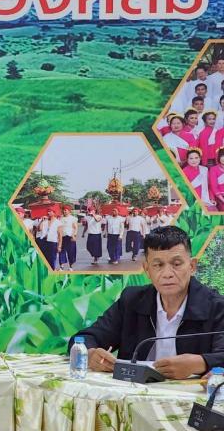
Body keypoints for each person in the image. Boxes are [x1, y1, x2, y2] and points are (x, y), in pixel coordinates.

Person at [69, 226, 224, 378]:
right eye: (158, 265)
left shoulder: (217, 306)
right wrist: (90, 354)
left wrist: (200, 363)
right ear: (147, 270)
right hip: (134, 389)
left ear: (192, 266)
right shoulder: (132, 300)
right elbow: (85, 338)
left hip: (188, 393)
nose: (167, 274)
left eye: (176, 264)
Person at [58, 205, 77, 271]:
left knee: (71, 252)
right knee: (61, 251)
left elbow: (75, 228)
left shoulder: (73, 218)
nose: (64, 211)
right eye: (63, 210)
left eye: (65, 210)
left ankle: (71, 266)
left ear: (69, 211)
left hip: (70, 237)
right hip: (62, 237)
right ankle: (61, 266)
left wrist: (74, 235)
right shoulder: (60, 218)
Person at [210, 148, 224, 212]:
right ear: (218, 157)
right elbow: (214, 187)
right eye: (222, 156)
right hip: (220, 197)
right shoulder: (213, 169)